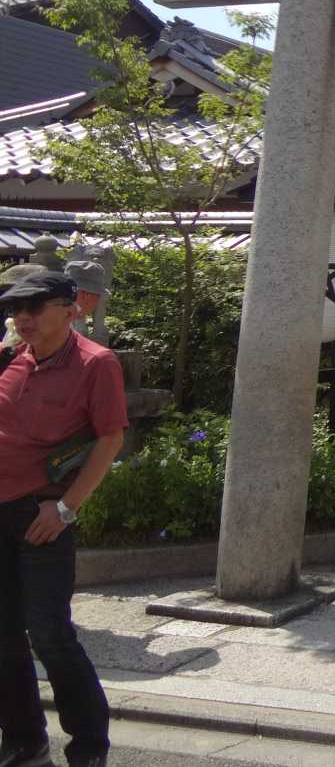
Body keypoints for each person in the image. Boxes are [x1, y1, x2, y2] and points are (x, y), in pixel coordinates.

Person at [0, 270, 127, 767]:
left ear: (70, 309)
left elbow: (110, 439)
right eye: (16, 308)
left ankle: (89, 746)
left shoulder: (97, 363)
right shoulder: (12, 357)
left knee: (50, 633)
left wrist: (67, 508)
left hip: (42, 514)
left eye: (36, 307)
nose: (23, 317)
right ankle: (25, 738)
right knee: (3, 633)